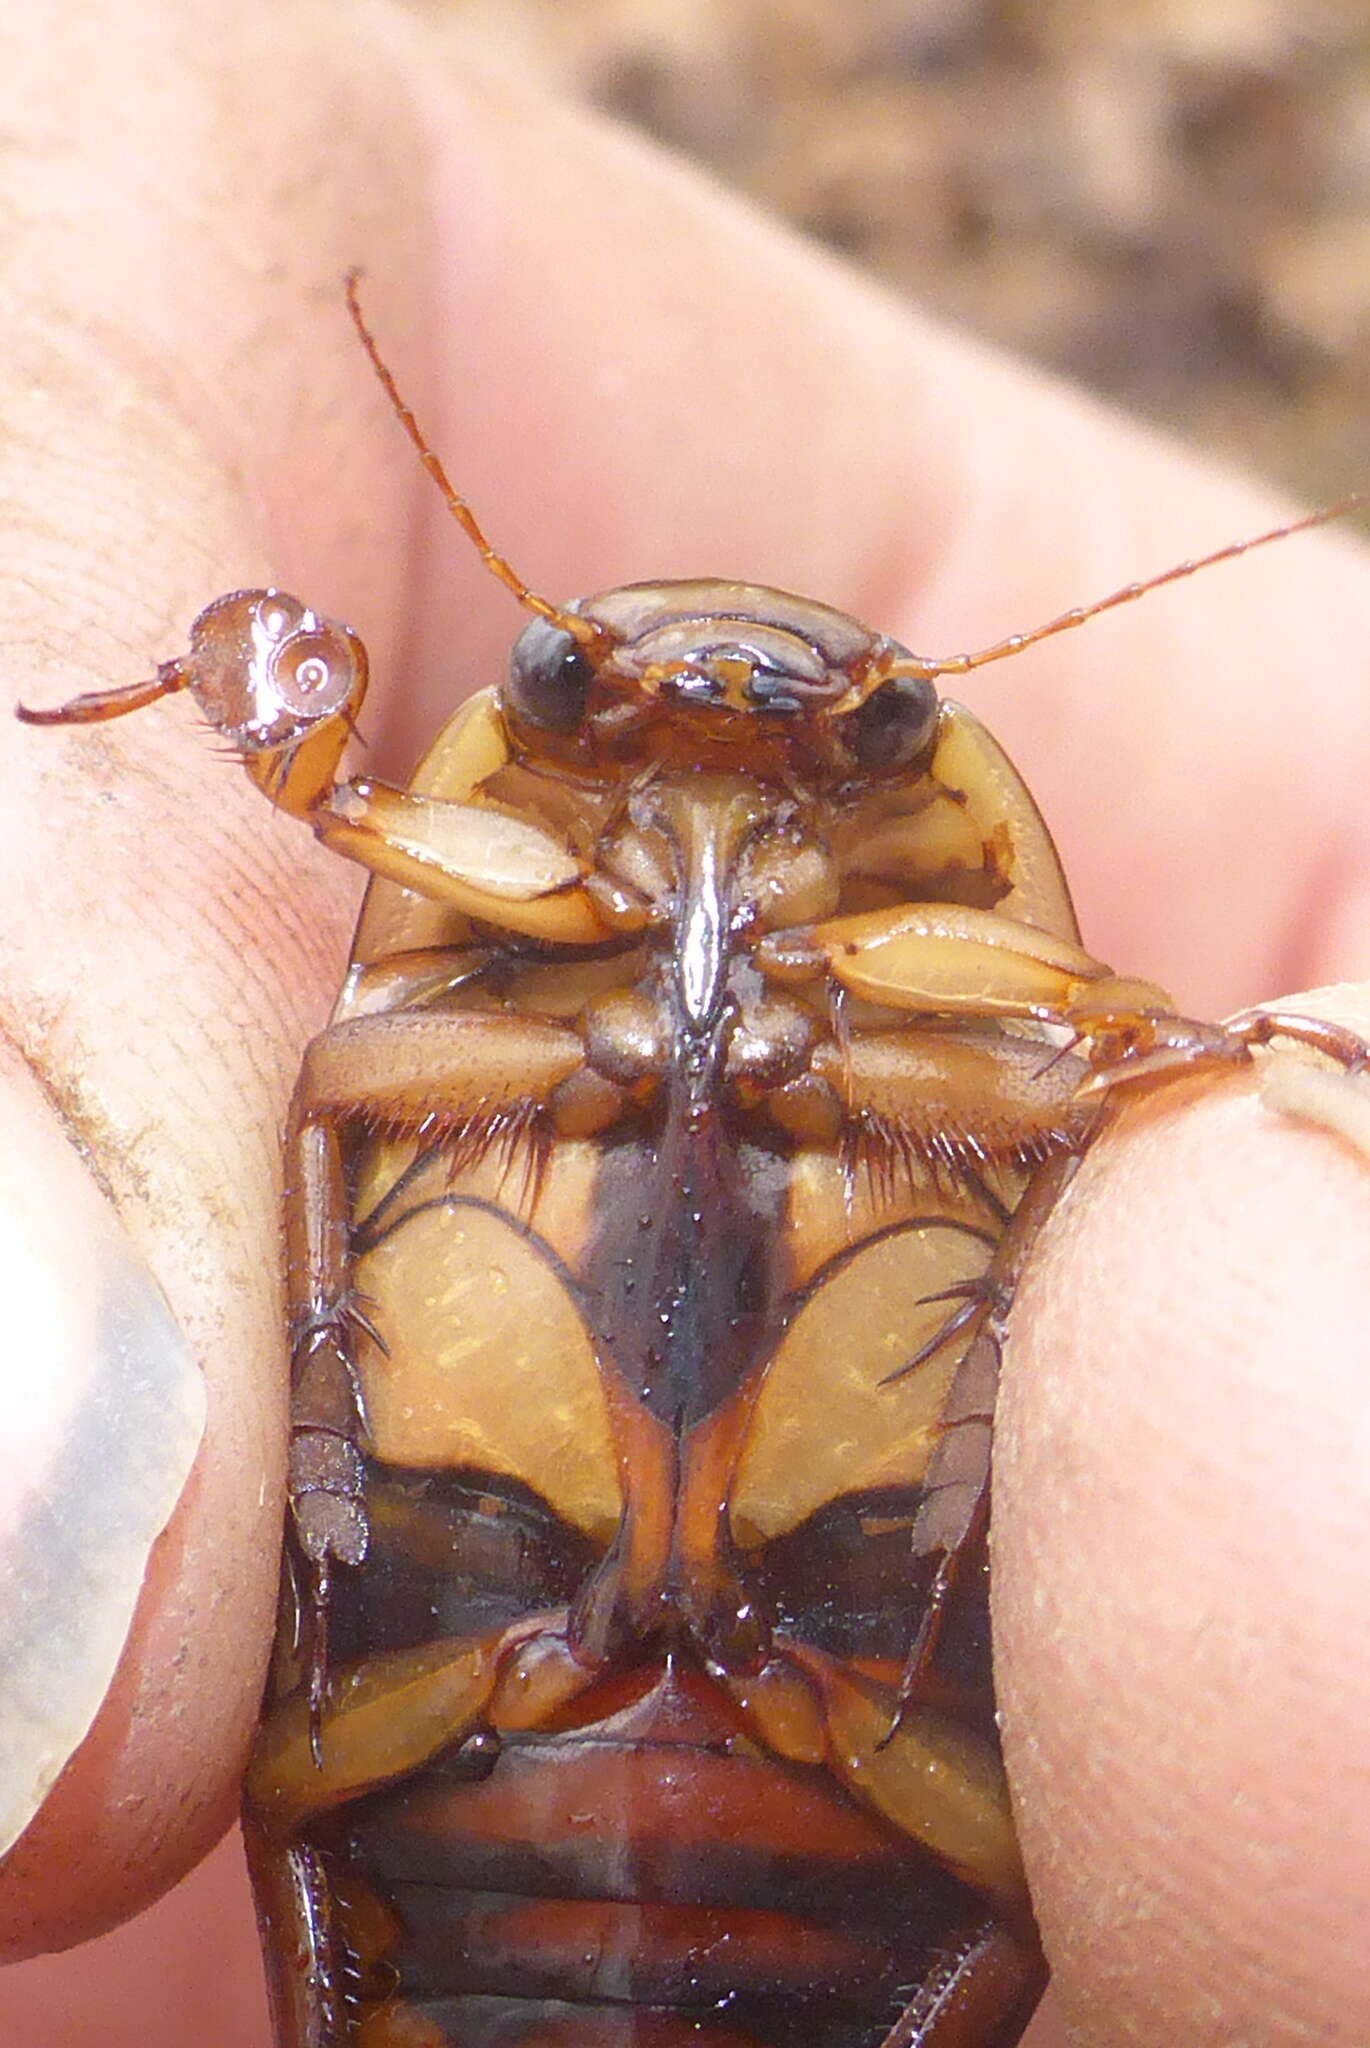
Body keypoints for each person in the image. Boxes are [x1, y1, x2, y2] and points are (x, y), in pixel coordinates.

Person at [2, 4, 1368, 2043]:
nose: (711, 767)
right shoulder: (437, 989)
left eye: (856, 736)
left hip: (831, 1825)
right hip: (452, 1810)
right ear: (518, 722)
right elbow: (342, 1031)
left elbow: (1096, 1035)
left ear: (931, 765)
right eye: (591, 703)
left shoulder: (982, 1019)